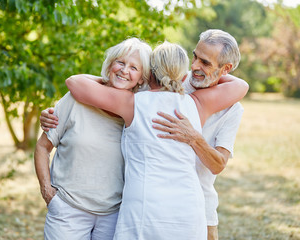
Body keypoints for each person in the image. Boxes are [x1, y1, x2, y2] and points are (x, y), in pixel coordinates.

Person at [65, 41, 249, 239]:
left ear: (149, 74)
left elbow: (75, 83)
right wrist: (207, 70)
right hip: (188, 206)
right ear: (183, 75)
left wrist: (118, 78)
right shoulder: (198, 104)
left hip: (143, 206)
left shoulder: (131, 103)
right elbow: (240, 86)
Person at [34, 37, 152, 240]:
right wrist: (47, 192)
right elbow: (43, 147)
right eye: (121, 63)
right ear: (110, 64)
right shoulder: (75, 99)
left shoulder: (139, 111)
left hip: (114, 216)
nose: (124, 70)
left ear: (142, 78)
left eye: (134, 67)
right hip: (67, 210)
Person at [152, 29, 243, 240]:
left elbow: (218, 164)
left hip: (201, 204)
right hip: (158, 200)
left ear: (226, 69)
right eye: (194, 56)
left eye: (205, 62)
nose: (194, 66)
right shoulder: (174, 82)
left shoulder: (233, 110)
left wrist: (194, 138)